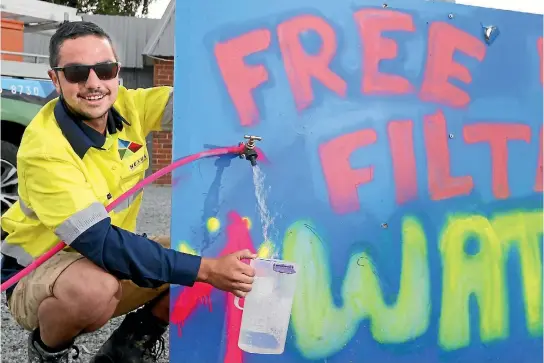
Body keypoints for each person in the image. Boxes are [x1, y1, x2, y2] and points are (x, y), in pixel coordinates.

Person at [0, 21, 257, 363]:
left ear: (117, 72)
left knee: (198, 248)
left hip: (100, 258)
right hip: (38, 271)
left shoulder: (126, 106)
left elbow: (198, 104)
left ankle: (128, 347)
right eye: (77, 73)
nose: (94, 84)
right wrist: (208, 270)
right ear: (55, 79)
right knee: (97, 291)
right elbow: (102, 243)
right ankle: (49, 352)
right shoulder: (45, 149)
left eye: (104, 70)